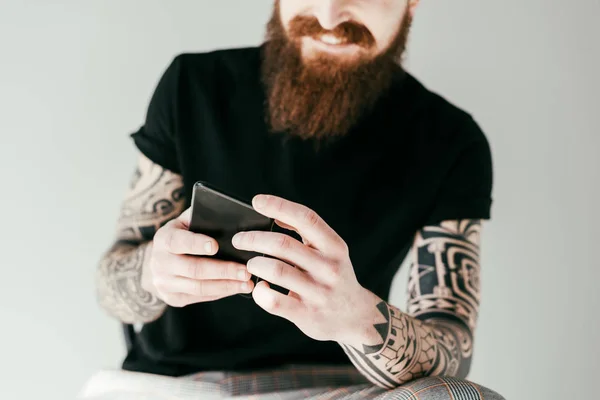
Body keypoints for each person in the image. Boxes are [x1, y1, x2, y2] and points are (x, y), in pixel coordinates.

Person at [89, 1, 505, 399]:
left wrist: (359, 319)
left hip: (341, 389)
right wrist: (152, 273)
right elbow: (111, 283)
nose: (328, 15)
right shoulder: (192, 85)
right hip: (175, 384)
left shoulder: (451, 140)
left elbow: (453, 344)